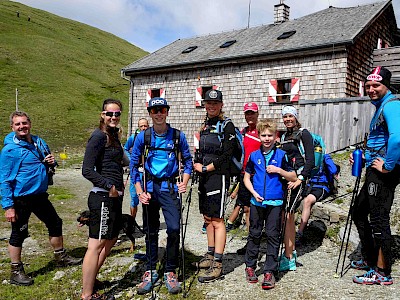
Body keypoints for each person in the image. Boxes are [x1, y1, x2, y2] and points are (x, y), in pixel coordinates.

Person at [0, 111, 81, 287]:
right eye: (18, 124)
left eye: (24, 123)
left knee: (55, 223)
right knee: (19, 233)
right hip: (21, 198)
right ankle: (15, 271)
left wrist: (52, 162)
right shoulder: (9, 151)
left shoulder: (38, 141)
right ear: (12, 127)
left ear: (30, 123)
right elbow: (4, 179)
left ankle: (61, 256)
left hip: (40, 195)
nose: (22, 127)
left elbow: (50, 162)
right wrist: (8, 206)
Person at [130, 97, 192, 295]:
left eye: (162, 109)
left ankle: (170, 270)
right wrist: (139, 192)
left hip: (169, 188)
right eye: (155, 110)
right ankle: (149, 269)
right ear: (150, 113)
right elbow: (133, 166)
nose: (158, 113)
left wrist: (184, 181)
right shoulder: (143, 137)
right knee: (150, 230)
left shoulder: (177, 136)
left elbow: (188, 161)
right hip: (149, 188)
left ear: (167, 112)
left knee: (174, 229)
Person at [350, 66, 400, 285]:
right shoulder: (380, 107)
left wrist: (387, 166)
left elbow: (397, 139)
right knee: (359, 211)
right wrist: (363, 156)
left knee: (379, 219)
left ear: (386, 86)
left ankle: (382, 271)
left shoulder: (392, 105)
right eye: (368, 85)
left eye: (376, 85)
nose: (371, 89)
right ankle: (370, 258)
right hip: (374, 170)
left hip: (383, 174)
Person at [243, 119, 296, 289]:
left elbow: (293, 176)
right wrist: (253, 193)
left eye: (270, 135)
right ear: (259, 136)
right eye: (264, 135)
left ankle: (269, 272)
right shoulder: (254, 156)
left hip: (275, 202)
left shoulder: (281, 155)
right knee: (254, 234)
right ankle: (250, 267)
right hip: (257, 202)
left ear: (275, 137)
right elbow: (246, 177)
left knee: (273, 236)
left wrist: (279, 171)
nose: (267, 138)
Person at [81, 99, 125, 300]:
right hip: (102, 196)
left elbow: (124, 160)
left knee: (112, 238)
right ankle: (87, 295)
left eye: (117, 114)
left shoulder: (113, 136)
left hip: (114, 197)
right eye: (110, 114)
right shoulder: (98, 136)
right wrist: (110, 186)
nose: (113, 117)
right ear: (102, 114)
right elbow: (87, 170)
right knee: (96, 244)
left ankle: (91, 278)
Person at [193, 89, 236, 283]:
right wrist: (196, 165)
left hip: (218, 176)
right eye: (208, 103)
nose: (211, 106)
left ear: (221, 105)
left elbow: (227, 155)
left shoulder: (227, 125)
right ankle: (210, 255)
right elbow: (200, 150)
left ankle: (218, 264)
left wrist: (207, 167)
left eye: (215, 103)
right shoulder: (205, 125)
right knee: (207, 218)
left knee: (218, 219)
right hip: (204, 175)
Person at [278, 105, 315, 271]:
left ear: (295, 117)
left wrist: (301, 178)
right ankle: (289, 252)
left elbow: (311, 160)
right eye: (285, 117)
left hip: (298, 180)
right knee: (286, 217)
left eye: (290, 116)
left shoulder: (303, 133)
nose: (287, 119)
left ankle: (290, 256)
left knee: (288, 216)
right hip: (286, 179)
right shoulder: (284, 135)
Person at [296, 154, 338, 246]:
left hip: (322, 186)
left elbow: (334, 170)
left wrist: (326, 158)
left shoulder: (324, 157)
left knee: (308, 201)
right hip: (309, 185)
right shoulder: (306, 156)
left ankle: (300, 233)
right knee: (294, 199)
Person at [124, 118, 149, 251]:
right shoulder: (133, 138)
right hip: (136, 172)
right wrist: (132, 159)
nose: (143, 128)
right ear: (138, 127)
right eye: (141, 126)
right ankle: (131, 223)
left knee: (147, 198)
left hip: (148, 172)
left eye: (145, 126)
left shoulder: (151, 137)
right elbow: (125, 149)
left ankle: (147, 224)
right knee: (134, 199)